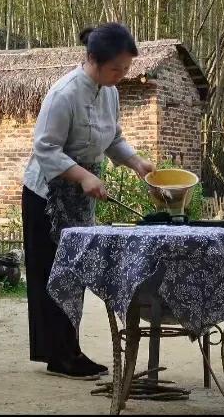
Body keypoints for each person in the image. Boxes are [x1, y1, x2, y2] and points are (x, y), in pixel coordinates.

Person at [21, 22, 156, 380]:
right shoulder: (63, 94)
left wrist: (138, 163)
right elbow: (44, 148)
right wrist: (82, 175)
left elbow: (113, 138)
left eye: (126, 69)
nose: (122, 75)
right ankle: (59, 355)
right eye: (117, 69)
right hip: (46, 195)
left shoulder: (109, 91)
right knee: (52, 273)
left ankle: (69, 351)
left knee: (74, 270)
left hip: (80, 195)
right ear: (93, 60)